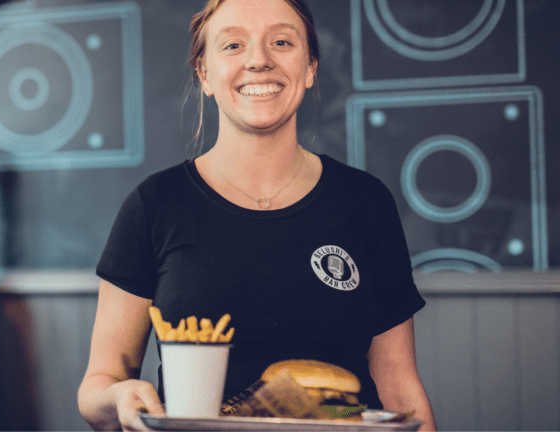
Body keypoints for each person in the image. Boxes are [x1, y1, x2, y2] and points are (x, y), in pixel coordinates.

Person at [78, 0, 438, 430]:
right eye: (233, 45)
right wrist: (119, 395)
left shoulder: (365, 201)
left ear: (309, 68)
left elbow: (399, 385)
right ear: (204, 74)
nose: (259, 60)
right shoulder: (153, 205)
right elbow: (98, 387)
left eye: (281, 42)